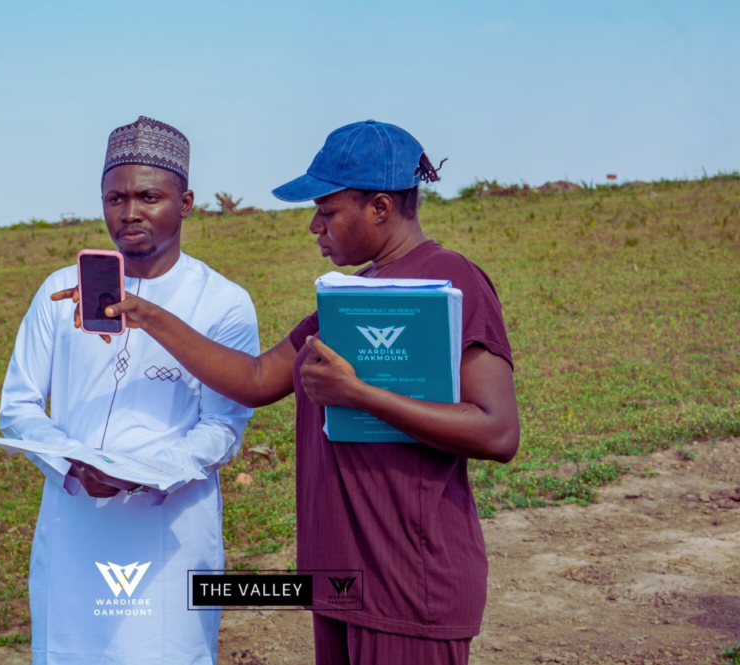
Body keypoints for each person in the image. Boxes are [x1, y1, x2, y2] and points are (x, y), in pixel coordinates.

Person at [71, 120, 520, 665]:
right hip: (340, 580)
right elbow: (258, 379)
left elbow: (497, 431)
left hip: (409, 581)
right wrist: (147, 315)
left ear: (380, 207)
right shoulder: (349, 294)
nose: (314, 226)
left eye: (327, 211)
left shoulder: (449, 279)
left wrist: (361, 395)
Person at [0, 116, 260, 665]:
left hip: (170, 529)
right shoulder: (59, 292)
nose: (130, 212)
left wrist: (149, 472)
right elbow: (18, 405)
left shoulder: (223, 302)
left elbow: (223, 425)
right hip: (75, 520)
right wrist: (72, 463)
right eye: (115, 198)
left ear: (185, 203)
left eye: (149, 197)